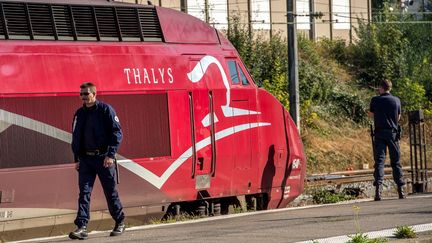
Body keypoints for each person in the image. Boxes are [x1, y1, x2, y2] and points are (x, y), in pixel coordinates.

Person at [69, 82, 125, 240]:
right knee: (84, 193)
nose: (83, 97)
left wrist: (110, 155)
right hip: (85, 160)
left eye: (86, 94)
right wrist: (77, 158)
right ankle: (82, 226)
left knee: (110, 192)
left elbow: (117, 133)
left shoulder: (106, 110)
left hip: (103, 159)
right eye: (81, 94)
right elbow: (76, 136)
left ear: (94, 94)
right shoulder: (79, 113)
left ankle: (120, 221)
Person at [369, 79, 406, 201]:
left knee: (379, 162)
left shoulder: (375, 100)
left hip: (379, 133)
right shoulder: (396, 100)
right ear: (390, 88)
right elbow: (398, 117)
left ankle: (378, 191)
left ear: (381, 88)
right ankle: (401, 190)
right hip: (392, 134)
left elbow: (371, 115)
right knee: (396, 161)